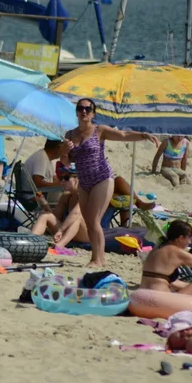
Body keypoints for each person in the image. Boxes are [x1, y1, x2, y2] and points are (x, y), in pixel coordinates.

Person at [64, 98, 158, 267]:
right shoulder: (69, 135)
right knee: (89, 221)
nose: (84, 111)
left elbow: (123, 135)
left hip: (102, 178)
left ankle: (97, 259)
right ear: (76, 111)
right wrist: (65, 151)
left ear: (93, 113)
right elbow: (66, 161)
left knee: (93, 221)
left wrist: (143, 135)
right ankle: (97, 258)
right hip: (84, 181)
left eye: (88, 109)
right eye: (80, 108)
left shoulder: (99, 130)